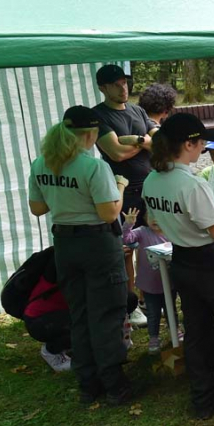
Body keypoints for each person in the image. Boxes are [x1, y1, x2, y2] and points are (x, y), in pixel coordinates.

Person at [142, 113, 214, 419]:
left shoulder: (152, 179)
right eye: (201, 143)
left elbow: (153, 221)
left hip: (181, 259)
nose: (203, 149)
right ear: (188, 144)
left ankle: (203, 398)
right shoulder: (191, 184)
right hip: (208, 261)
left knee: (197, 331)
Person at [28, 105, 130, 404]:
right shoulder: (93, 166)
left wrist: (64, 199)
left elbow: (38, 208)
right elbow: (109, 213)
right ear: (91, 134)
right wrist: (120, 186)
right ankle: (114, 385)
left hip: (65, 243)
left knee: (79, 312)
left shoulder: (42, 163)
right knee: (106, 313)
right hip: (97, 243)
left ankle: (88, 383)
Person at [92, 64, 157, 328]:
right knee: (126, 250)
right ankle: (130, 304)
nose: (123, 88)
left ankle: (149, 297)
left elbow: (159, 141)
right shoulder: (99, 115)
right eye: (116, 85)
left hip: (149, 186)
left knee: (153, 243)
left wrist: (135, 140)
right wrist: (144, 143)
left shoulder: (138, 110)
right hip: (122, 189)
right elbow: (115, 153)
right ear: (103, 88)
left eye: (125, 83)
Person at [121, 207, 173, 354]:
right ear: (145, 218)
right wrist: (128, 225)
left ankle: (174, 330)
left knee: (171, 310)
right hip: (149, 283)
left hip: (170, 281)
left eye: (159, 215)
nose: (155, 219)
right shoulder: (142, 232)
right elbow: (127, 239)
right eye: (151, 216)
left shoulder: (171, 231)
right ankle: (154, 338)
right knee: (153, 313)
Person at [21, 251, 71, 372]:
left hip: (53, 316)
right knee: (84, 324)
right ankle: (51, 351)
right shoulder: (59, 265)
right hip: (39, 321)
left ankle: (69, 346)